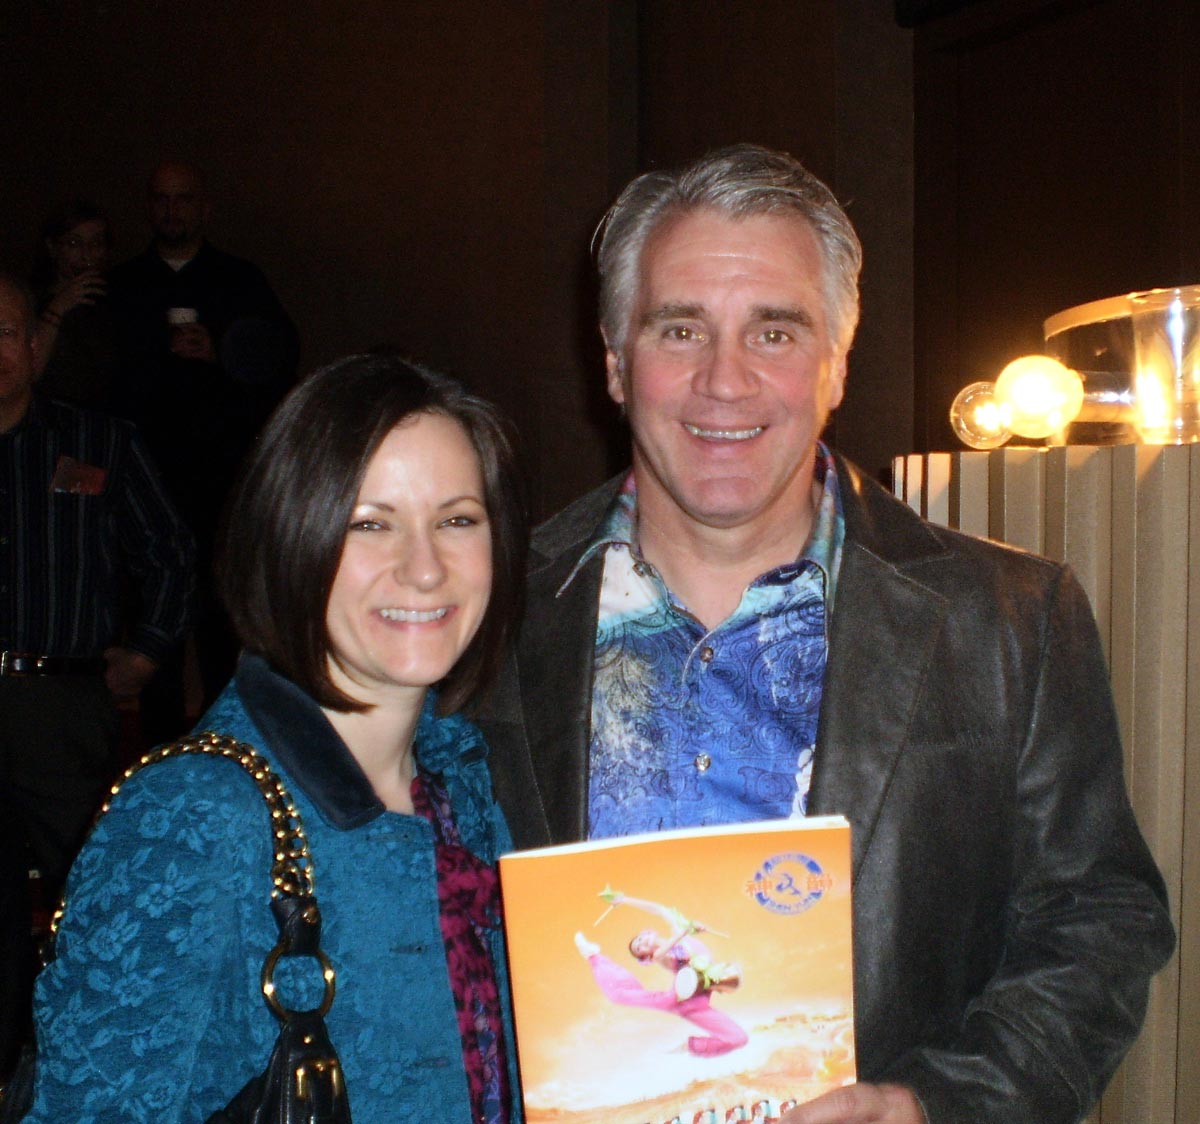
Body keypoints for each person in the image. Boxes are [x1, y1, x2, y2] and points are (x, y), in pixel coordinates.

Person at [476, 145, 1176, 1123]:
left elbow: (1100, 919)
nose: (724, 381)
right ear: (615, 361)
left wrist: (934, 1103)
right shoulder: (489, 612)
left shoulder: (1011, 618)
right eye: (680, 328)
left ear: (838, 363)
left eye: (775, 330)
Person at [22, 354, 527, 1123]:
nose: (425, 569)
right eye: (369, 523)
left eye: (457, 520)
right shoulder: (195, 813)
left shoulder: (460, 774)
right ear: (292, 538)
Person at [0, 270, 194, 1075]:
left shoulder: (99, 441)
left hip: (62, 703)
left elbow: (171, 552)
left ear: (36, 345)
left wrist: (148, 649)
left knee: (91, 894)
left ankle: (95, 1071)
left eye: (6, 332)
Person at [108, 159, 300, 729]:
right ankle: (161, 756)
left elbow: (280, 360)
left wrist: (220, 352)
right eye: (162, 199)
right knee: (153, 626)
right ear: (149, 207)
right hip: (146, 482)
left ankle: (223, 747)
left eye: (184, 199)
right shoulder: (125, 285)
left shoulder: (240, 280)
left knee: (223, 623)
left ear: (205, 208)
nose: (173, 210)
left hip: (221, 479)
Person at [574, 889, 748, 1057]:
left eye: (639, 939)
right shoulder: (662, 954)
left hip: (702, 994)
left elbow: (659, 909)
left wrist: (625, 900)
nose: (641, 943)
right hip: (683, 1000)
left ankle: (693, 1046)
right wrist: (685, 931)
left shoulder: (681, 935)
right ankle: (594, 956)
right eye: (638, 948)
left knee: (739, 1039)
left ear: (648, 933)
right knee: (623, 995)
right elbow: (662, 952)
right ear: (646, 956)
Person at [29, 200, 118, 409]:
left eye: (96, 244)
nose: (86, 254)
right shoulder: (30, 302)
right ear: (52, 247)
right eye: (74, 244)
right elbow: (27, 371)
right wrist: (59, 305)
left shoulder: (116, 300)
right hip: (51, 417)